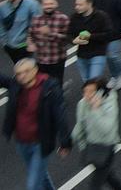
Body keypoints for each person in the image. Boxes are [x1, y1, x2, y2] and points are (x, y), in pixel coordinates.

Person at [2, 58, 70, 190]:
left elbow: (60, 115)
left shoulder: (49, 87)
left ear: (35, 70)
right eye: (19, 73)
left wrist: (65, 141)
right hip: (22, 142)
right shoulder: (15, 85)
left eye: (26, 71)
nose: (22, 76)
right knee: (40, 175)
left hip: (41, 142)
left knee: (33, 185)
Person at [72, 77, 121, 190]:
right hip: (91, 147)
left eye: (91, 91)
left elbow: (106, 128)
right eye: (85, 91)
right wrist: (68, 142)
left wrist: (96, 110)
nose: (87, 95)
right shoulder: (82, 104)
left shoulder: (109, 102)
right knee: (109, 177)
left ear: (100, 92)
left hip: (107, 147)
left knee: (94, 185)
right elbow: (80, 125)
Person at [69, 0, 115, 82]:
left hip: (98, 54)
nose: (77, 7)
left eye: (80, 5)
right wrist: (73, 40)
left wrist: (90, 36)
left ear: (89, 4)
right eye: (76, 4)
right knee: (86, 81)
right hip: (82, 56)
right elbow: (68, 33)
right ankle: (102, 90)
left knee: (93, 81)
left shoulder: (101, 16)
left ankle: (103, 92)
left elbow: (109, 34)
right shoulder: (74, 17)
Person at [29, 0, 71, 83]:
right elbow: (31, 34)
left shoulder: (63, 19)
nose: (48, 6)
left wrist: (50, 34)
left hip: (57, 60)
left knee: (56, 85)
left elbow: (68, 39)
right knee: (42, 86)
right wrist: (31, 43)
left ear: (56, 4)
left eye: (51, 4)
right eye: (46, 4)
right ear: (41, 5)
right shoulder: (36, 19)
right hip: (41, 60)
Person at [1, 0, 42, 66]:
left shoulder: (32, 4)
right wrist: (4, 42)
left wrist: (31, 42)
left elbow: (37, 24)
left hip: (25, 45)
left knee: (28, 67)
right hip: (9, 46)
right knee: (17, 65)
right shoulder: (2, 7)